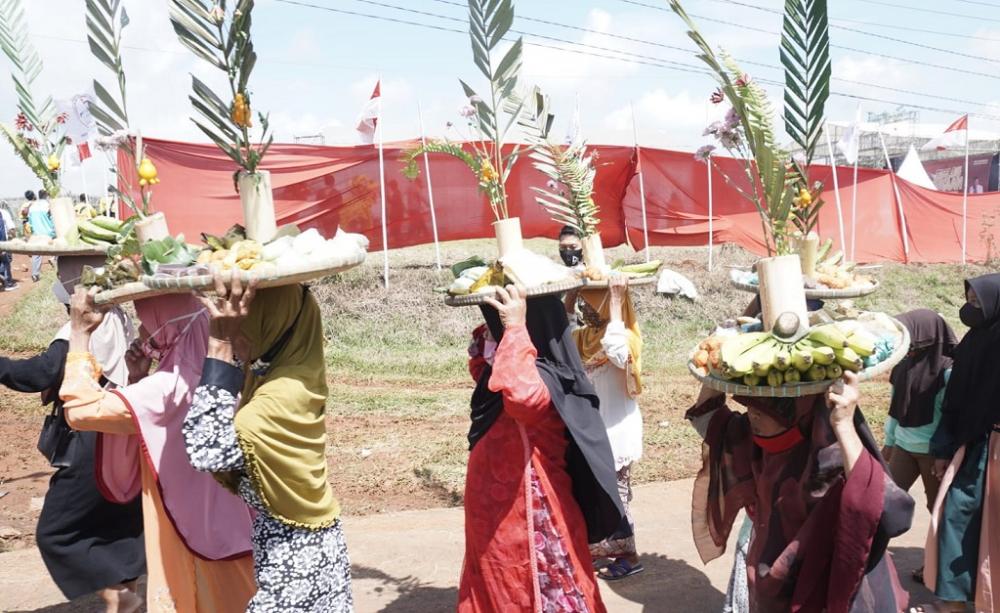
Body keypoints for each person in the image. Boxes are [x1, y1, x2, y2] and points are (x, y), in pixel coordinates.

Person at [61, 289, 257, 612]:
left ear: (169, 325)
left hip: (192, 535)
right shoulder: (224, 370)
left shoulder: (165, 389)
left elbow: (80, 411)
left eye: (147, 321)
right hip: (233, 528)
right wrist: (138, 377)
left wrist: (80, 335)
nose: (142, 330)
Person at [183, 273, 353, 612]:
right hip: (311, 547)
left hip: (297, 562)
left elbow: (206, 450)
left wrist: (220, 345)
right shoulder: (289, 370)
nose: (237, 330)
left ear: (271, 322)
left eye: (245, 321)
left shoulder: (274, 402)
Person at [686, 372, 914, 612]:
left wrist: (844, 426)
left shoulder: (832, 453)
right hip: (775, 588)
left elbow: (891, 514)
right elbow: (707, 419)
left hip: (833, 591)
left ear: (797, 408)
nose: (752, 413)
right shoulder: (758, 439)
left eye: (764, 407)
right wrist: (715, 369)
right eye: (749, 404)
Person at [459, 285, 624, 612]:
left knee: (530, 582)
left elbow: (524, 400)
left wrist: (515, 329)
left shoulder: (544, 372)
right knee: (495, 576)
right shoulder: (505, 364)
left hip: (527, 509)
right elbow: (482, 366)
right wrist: (506, 332)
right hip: (495, 509)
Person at [0, 260, 144, 612]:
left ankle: (122, 598)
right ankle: (126, 588)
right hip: (120, 428)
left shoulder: (79, 331)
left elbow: (41, 373)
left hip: (90, 438)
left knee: (57, 533)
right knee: (115, 520)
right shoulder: (118, 316)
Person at [919, 274, 1000, 613]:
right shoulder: (974, 340)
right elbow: (955, 400)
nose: (971, 307)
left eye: (978, 302)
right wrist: (944, 447)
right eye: (969, 300)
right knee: (958, 516)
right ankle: (953, 602)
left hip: (989, 444)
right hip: (976, 443)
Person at [572, 274, 646, 580]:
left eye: (591, 303)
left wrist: (615, 302)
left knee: (617, 495)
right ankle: (598, 549)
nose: (585, 309)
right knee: (592, 495)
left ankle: (629, 556)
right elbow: (560, 338)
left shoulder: (624, 336)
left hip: (617, 434)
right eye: (583, 302)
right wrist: (569, 294)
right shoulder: (585, 337)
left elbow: (616, 352)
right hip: (594, 433)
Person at [881, 309, 956, 586]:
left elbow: (951, 418)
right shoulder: (903, 366)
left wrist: (944, 453)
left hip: (932, 454)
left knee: (938, 511)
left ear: (926, 336)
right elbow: (894, 409)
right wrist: (889, 443)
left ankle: (934, 568)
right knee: (883, 503)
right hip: (903, 447)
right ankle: (873, 560)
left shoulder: (948, 371)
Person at [26, 189, 55, 282]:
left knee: (37, 254)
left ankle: (35, 274)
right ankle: (57, 266)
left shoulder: (32, 206)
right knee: (58, 250)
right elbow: (53, 219)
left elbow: (30, 221)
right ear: (46, 195)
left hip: (37, 233)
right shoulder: (48, 205)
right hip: (48, 233)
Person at [0, 202, 17, 289]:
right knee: (6, 261)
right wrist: (14, 238)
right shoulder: (3, 213)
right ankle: (8, 283)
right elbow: (11, 228)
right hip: (3, 242)